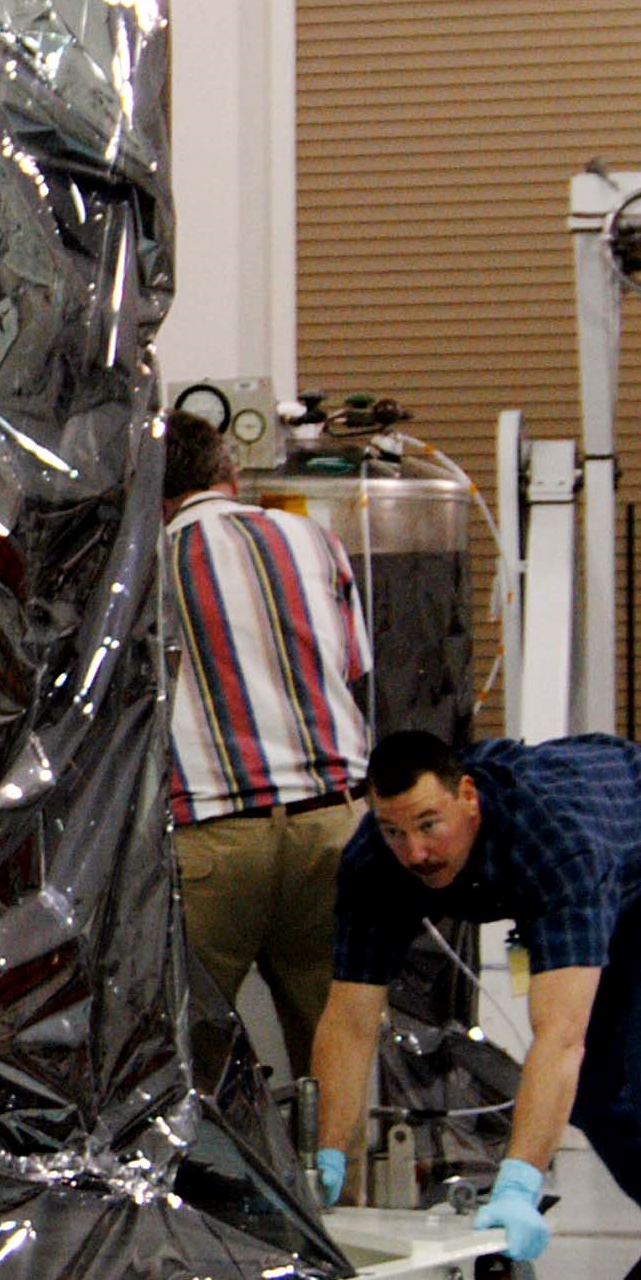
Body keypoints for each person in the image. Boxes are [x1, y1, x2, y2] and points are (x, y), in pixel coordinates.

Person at [316, 729, 641, 1280]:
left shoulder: (555, 841)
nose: (414, 852)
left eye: (429, 826)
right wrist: (329, 1151)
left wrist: (520, 1182)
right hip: (609, 860)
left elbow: (559, 1038)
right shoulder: (374, 863)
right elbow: (349, 1018)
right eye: (394, 831)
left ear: (469, 797)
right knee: (596, 1095)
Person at [160, 411, 373, 1077]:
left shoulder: (144, 564)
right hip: (334, 825)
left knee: (191, 1054)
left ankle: (214, 1180)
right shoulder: (315, 540)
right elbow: (351, 670)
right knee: (338, 1037)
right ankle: (338, 1178)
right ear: (230, 473)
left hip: (213, 839)